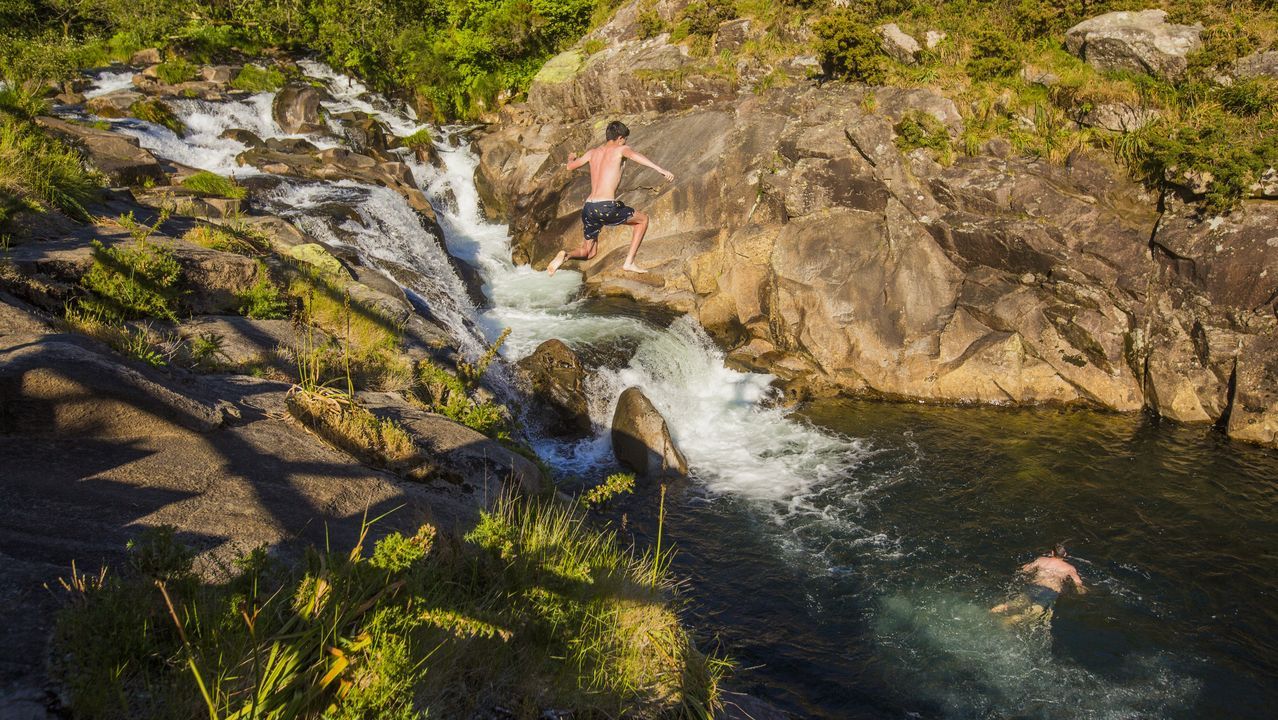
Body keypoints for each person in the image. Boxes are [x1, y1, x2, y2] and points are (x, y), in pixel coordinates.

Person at [547, 120, 674, 276]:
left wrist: (571, 158)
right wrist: (659, 169)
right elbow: (635, 156)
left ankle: (565, 255)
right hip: (605, 206)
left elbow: (569, 167)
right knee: (643, 220)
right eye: (625, 139)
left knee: (589, 253)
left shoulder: (592, 153)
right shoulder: (621, 149)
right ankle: (629, 262)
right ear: (620, 138)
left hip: (588, 207)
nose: (625, 142)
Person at [991, 544, 1087, 624]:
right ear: (1065, 554)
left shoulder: (1041, 560)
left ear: (1052, 552)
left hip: (1034, 587)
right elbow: (1078, 583)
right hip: (1049, 592)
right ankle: (1009, 621)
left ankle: (993, 611)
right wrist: (1081, 590)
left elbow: (1026, 569)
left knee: (1015, 603)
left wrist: (1024, 567)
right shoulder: (1069, 568)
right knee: (1033, 613)